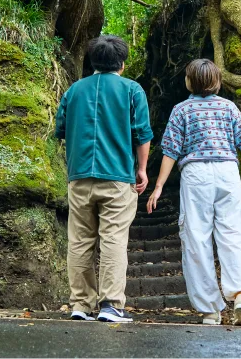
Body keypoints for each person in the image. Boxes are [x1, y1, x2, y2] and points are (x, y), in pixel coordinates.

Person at [147, 59, 241, 326]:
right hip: (227, 172)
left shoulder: (181, 110)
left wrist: (159, 186)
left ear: (189, 82)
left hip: (196, 176)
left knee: (196, 237)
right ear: (217, 81)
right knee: (234, 234)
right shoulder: (228, 107)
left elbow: (171, 150)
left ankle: (210, 309)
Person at [55, 35, 152, 323]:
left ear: (92, 61)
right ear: (121, 63)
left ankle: (80, 305)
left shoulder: (74, 91)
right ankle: (110, 306)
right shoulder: (132, 90)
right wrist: (142, 169)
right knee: (113, 239)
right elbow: (142, 134)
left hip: (80, 176)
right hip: (117, 176)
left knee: (80, 240)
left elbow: (61, 130)